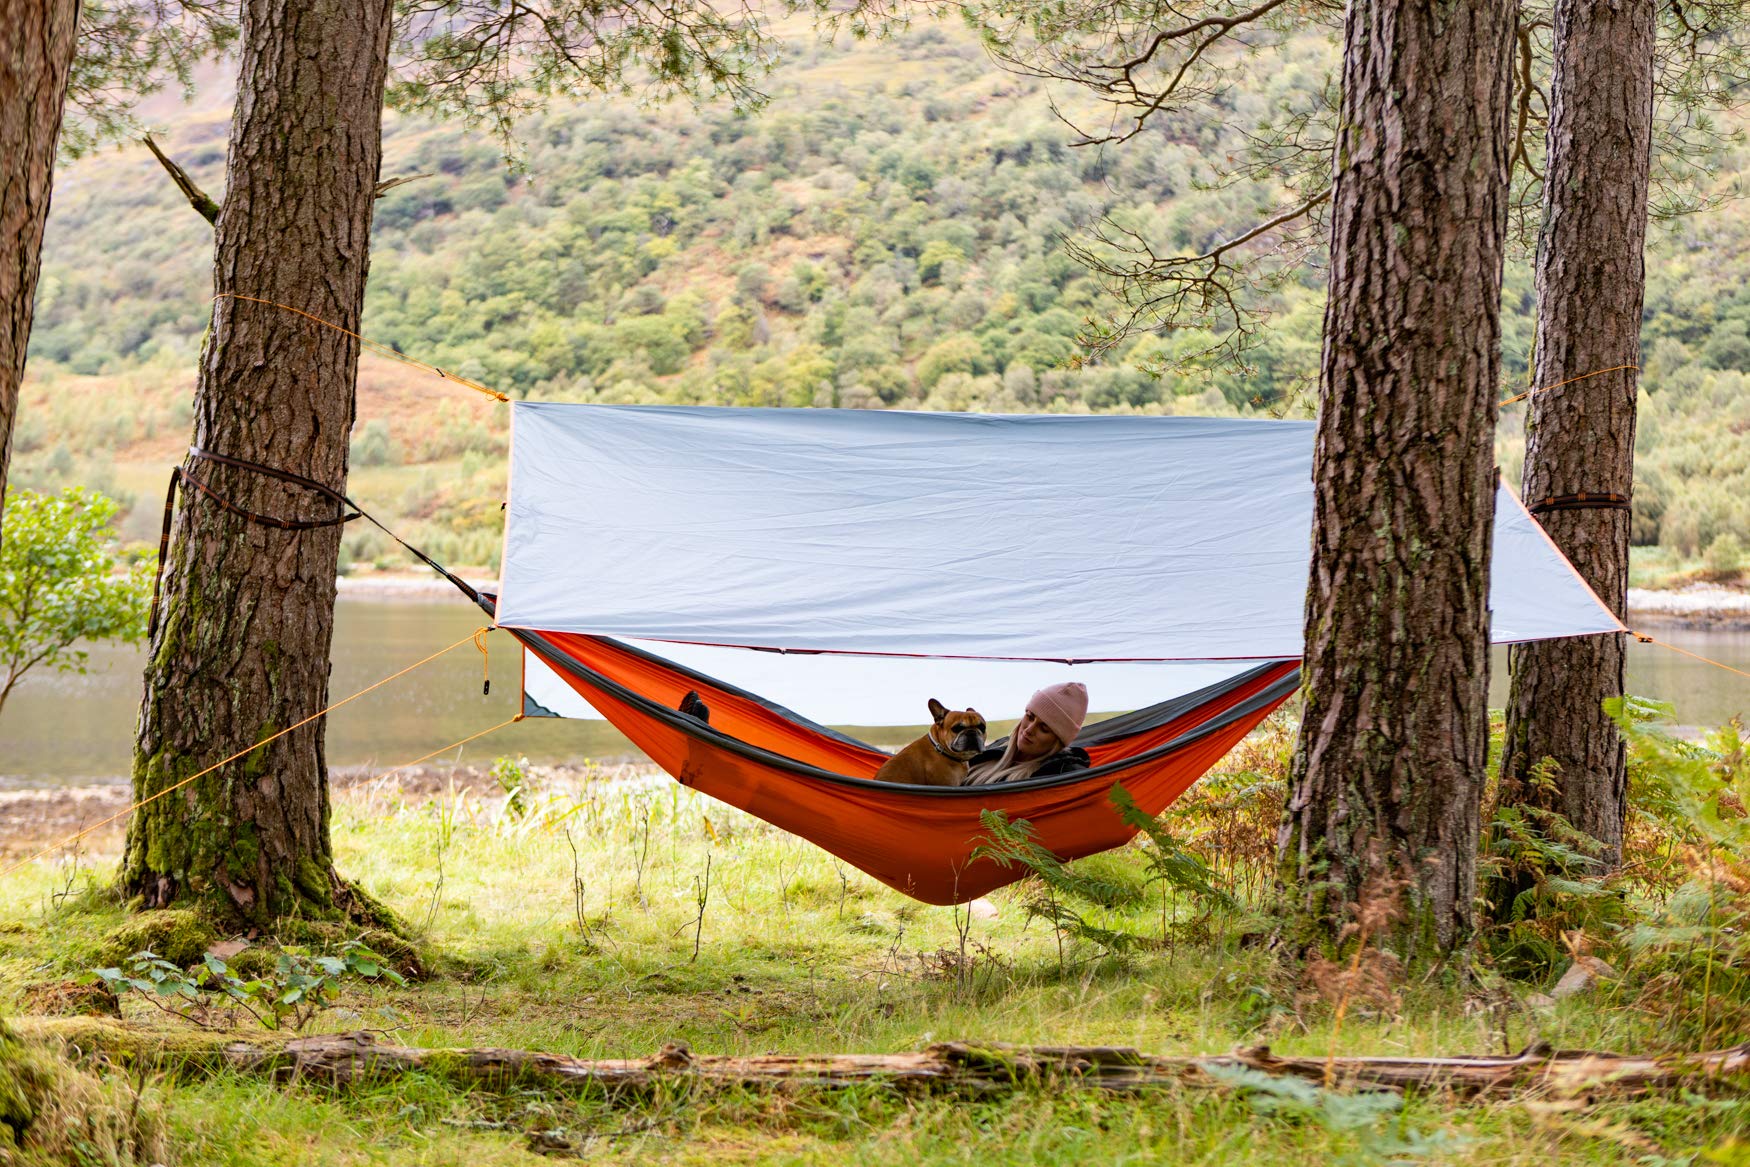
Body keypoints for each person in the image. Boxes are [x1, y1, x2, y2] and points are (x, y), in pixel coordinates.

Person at [962, 682, 1090, 785]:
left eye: (1044, 728)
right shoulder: (995, 750)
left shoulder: (1061, 776)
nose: (1029, 729)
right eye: (1030, 717)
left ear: (1059, 740)